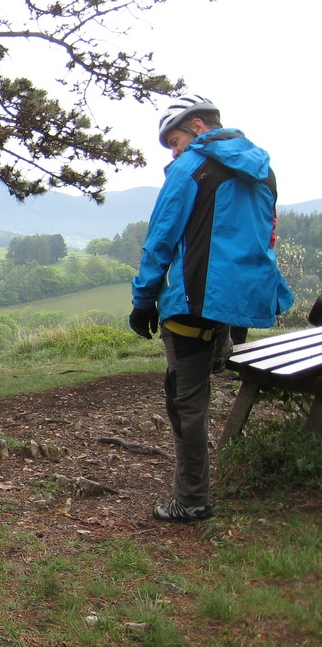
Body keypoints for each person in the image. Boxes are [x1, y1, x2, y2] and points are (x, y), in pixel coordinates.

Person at [130, 94, 293, 523]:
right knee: (202, 377)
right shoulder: (263, 168)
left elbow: (161, 237)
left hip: (193, 301)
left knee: (185, 401)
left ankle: (191, 500)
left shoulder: (191, 167)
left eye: (175, 140)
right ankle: (220, 352)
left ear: (198, 127)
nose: (174, 151)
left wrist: (143, 300)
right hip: (237, 302)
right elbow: (267, 235)